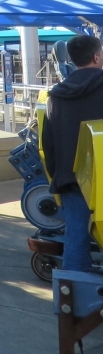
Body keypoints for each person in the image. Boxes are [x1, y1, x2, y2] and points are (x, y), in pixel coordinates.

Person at [42, 35, 103, 272]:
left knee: (75, 240)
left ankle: (72, 300)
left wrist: (59, 175)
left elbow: (49, 145)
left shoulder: (55, 97)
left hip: (72, 178)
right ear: (96, 56)